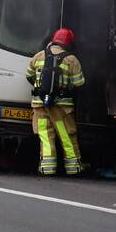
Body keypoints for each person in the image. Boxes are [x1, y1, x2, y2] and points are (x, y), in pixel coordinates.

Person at [26, 27, 85, 175]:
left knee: (45, 137)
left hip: (39, 106)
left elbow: (28, 75)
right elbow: (79, 83)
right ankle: (73, 169)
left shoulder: (39, 56)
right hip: (62, 108)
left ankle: (47, 168)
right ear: (69, 43)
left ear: (53, 40)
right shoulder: (71, 59)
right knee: (66, 136)